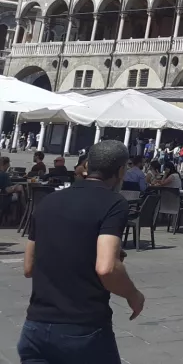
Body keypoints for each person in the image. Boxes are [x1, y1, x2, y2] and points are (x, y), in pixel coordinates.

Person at [17, 139, 144, 363]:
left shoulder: (48, 201)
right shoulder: (114, 203)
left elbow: (29, 267)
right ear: (121, 170)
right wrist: (134, 295)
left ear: (87, 166)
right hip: (82, 329)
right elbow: (106, 268)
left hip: (35, 327)